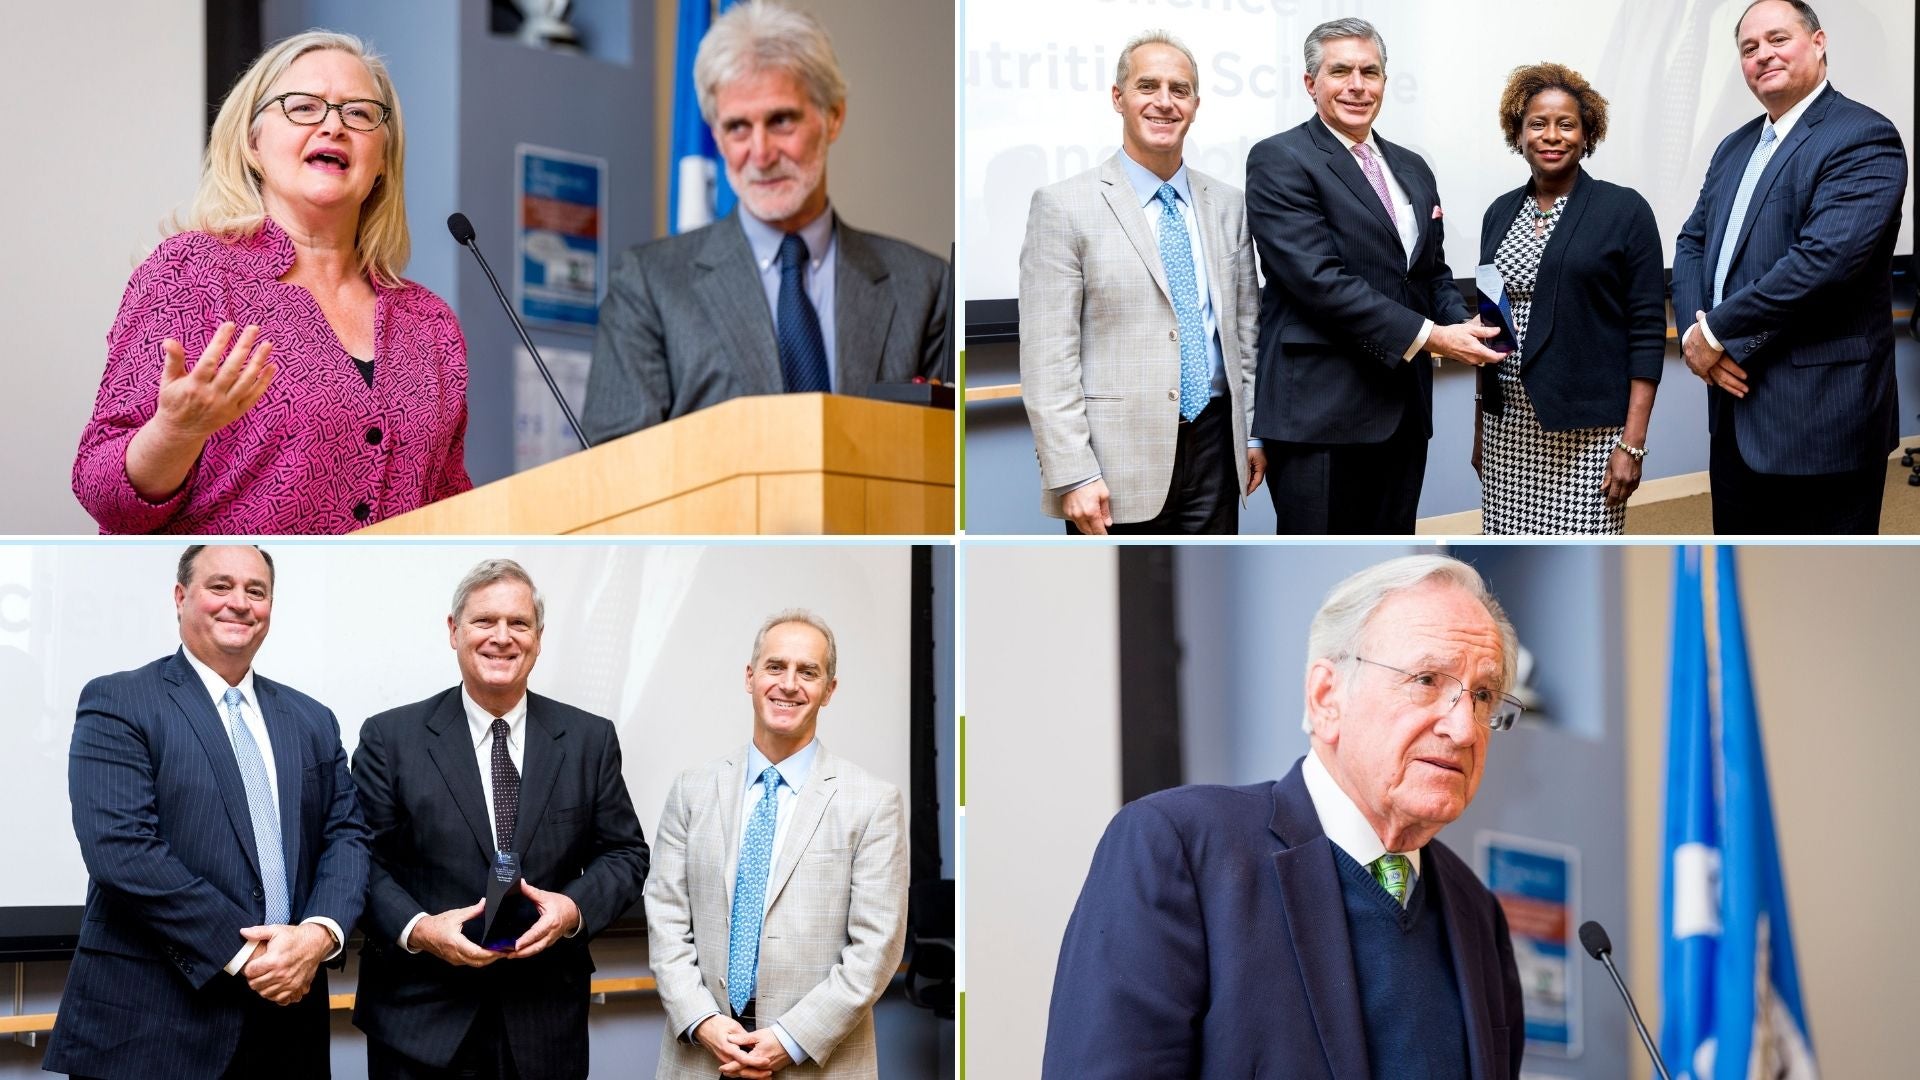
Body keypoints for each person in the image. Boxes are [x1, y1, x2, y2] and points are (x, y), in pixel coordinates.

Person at [1043, 555, 1526, 1078]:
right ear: (1326, 697)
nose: (1463, 727)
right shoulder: (1180, 848)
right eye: (1428, 679)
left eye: (1481, 695)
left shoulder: (1477, 911)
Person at [71, 31, 472, 534]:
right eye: (303, 106)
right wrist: (176, 431)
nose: (333, 125)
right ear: (253, 142)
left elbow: (453, 507)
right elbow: (102, 491)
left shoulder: (429, 324)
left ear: (384, 163)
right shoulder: (192, 273)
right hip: (238, 606)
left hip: (382, 608)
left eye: (360, 113)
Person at [44, 545, 370, 1080]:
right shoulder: (119, 701)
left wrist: (315, 936)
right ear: (180, 597)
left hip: (289, 1020)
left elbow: (347, 837)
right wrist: (252, 957)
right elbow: (122, 851)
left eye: (256, 591)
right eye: (220, 586)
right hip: (154, 1024)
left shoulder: (312, 719)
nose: (239, 603)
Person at [582, 1, 950, 443]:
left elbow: (948, 471)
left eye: (781, 120)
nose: (760, 153)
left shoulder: (924, 287)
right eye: (738, 127)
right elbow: (614, 474)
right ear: (716, 136)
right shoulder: (648, 286)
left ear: (833, 116)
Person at [350, 559, 650, 1079]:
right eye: (485, 621)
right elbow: (360, 863)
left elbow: (626, 853)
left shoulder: (589, 740)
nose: (502, 638)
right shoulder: (389, 739)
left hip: (544, 1026)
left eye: (519, 623)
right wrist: (420, 929)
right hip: (420, 1023)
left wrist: (572, 909)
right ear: (454, 631)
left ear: (538, 638)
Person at [1245, 18, 1507, 534]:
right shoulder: (1280, 159)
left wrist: (1464, 323)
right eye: (1340, 71)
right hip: (1321, 415)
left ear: (1386, 81)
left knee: (1390, 560)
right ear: (1310, 83)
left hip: (1403, 411)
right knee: (1322, 565)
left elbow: (1429, 272)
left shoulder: (1412, 166)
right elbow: (1320, 281)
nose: (1357, 85)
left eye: (1370, 71)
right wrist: (1434, 337)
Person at [1671, 0, 1907, 533]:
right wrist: (1692, 333)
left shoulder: (1862, 136)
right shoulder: (1735, 146)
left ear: (1819, 43)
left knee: (1829, 579)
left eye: (1778, 39)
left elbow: (1824, 262)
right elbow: (1691, 242)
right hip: (1733, 409)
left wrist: (1716, 332)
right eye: (1749, 48)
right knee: (1739, 556)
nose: (1762, 55)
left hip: (1822, 416)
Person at [1018, 30, 1263, 535]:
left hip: (1218, 447)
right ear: (1119, 98)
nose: (1164, 102)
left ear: (1195, 104)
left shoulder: (1228, 204)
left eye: (1180, 89)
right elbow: (1048, 357)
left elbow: (1245, 329)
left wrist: (1254, 435)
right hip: (1113, 464)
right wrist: (1073, 473)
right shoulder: (1064, 205)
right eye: (1147, 86)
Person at [647, 611, 908, 1079]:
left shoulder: (874, 802)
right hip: (701, 1059)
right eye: (775, 667)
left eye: (808, 672)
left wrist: (789, 1040)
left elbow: (876, 949)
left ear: (829, 690)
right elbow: (665, 917)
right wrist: (704, 1021)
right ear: (750, 678)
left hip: (816, 1065)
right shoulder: (691, 789)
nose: (789, 684)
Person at [1475, 63, 1666, 534]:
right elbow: (1488, 322)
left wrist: (1633, 443)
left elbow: (1645, 331)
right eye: (1537, 124)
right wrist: (1480, 425)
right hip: (1509, 428)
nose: (1551, 135)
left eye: (1566, 124)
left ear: (1587, 134)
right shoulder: (1499, 213)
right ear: (1517, 134)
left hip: (1589, 432)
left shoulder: (1624, 210)